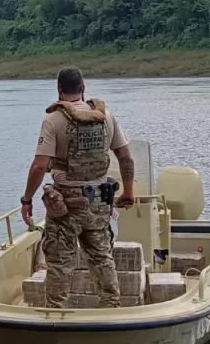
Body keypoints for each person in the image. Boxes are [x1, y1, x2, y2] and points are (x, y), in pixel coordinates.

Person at [20, 67, 135, 309]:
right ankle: (111, 308)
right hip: (99, 204)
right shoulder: (107, 117)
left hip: (65, 206)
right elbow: (125, 157)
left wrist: (27, 199)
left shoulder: (53, 120)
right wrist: (128, 192)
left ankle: (56, 313)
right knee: (103, 257)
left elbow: (40, 166)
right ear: (83, 89)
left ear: (59, 90)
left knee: (60, 263)